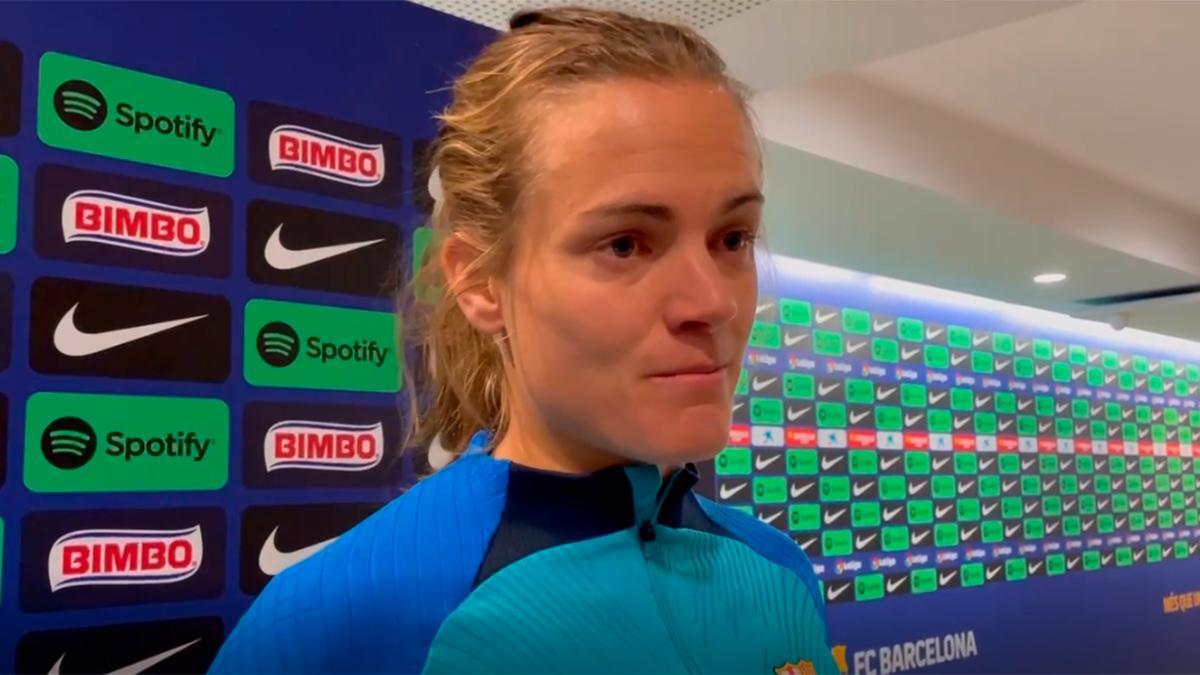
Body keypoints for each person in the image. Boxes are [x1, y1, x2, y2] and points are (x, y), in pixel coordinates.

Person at [210, 6, 837, 674]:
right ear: (480, 281)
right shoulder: (333, 622)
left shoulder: (780, 572)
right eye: (626, 244)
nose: (712, 301)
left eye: (732, 239)